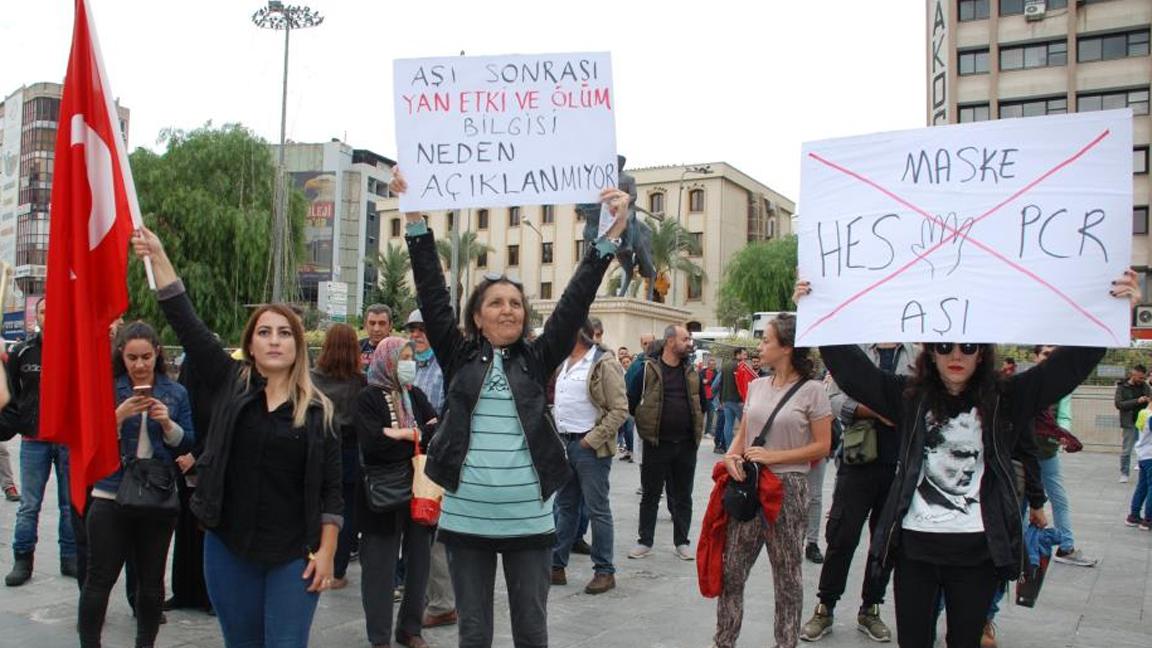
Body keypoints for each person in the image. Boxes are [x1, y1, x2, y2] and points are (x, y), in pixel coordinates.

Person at [798, 270, 1138, 648]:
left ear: (982, 352)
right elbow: (853, 373)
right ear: (930, 352)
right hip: (914, 552)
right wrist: (817, 310)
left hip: (977, 554)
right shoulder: (908, 397)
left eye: (968, 345)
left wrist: (1113, 313)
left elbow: (1064, 370)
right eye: (944, 347)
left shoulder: (1006, 398)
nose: (956, 355)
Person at [391, 168, 629, 648]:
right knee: (474, 633)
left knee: (531, 632)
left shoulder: (539, 357)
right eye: (496, 303)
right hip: (465, 521)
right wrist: (414, 217)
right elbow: (433, 295)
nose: (507, 310)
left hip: (529, 521)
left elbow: (575, 297)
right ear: (477, 316)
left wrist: (609, 236)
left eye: (516, 304)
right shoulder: (458, 356)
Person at [132, 227, 343, 648]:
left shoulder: (319, 410)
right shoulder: (232, 382)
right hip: (228, 547)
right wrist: (157, 255)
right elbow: (185, 320)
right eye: (264, 332)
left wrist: (327, 553)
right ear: (250, 343)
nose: (275, 340)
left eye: (284, 333)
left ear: (299, 345)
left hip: (292, 554)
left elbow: (332, 492)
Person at [711, 313, 832, 648]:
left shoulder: (812, 391)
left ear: (788, 347)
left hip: (789, 490)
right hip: (749, 486)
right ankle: (724, 640)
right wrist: (732, 455)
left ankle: (786, 642)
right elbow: (745, 430)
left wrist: (773, 457)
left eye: (766, 340)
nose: (760, 346)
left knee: (787, 577)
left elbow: (823, 446)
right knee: (732, 570)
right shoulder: (756, 385)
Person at [78, 321, 195, 648]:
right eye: (132, 358)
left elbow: (187, 442)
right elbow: (89, 443)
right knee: (99, 578)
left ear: (157, 354)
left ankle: (146, 643)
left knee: (152, 581)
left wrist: (166, 422)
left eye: (146, 357)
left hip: (156, 495)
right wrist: (115, 417)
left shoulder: (175, 392)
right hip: (110, 492)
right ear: (122, 357)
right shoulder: (107, 388)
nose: (140, 365)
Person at [802, 342, 916, 643]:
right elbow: (835, 401)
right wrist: (877, 411)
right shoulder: (857, 353)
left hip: (901, 463)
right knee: (842, 536)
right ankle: (825, 606)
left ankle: (870, 608)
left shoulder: (918, 355)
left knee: (885, 542)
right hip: (857, 459)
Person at [357, 337, 439, 648]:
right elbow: (372, 443)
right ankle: (379, 636)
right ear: (387, 360)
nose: (409, 363)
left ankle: (410, 629)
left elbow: (435, 430)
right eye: (403, 357)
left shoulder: (414, 395)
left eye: (411, 356)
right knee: (379, 568)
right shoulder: (368, 397)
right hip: (381, 494)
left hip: (418, 490)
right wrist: (411, 436)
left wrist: (400, 434)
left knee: (420, 563)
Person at [550, 319, 629, 595]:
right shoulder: (565, 362)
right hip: (565, 443)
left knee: (597, 509)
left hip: (589, 447)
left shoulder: (604, 363)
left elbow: (620, 410)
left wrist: (590, 440)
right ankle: (556, 565)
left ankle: (605, 571)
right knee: (566, 506)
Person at [4, 297, 78, 586]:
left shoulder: (73, 350)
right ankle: (22, 558)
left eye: (53, 310)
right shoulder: (23, 351)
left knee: (68, 504)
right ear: (37, 316)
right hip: (34, 438)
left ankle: (69, 556)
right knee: (29, 504)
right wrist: (14, 423)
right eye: (44, 311)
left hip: (65, 438)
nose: (48, 315)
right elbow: (10, 393)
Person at [626, 324, 705, 561]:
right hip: (656, 443)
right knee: (650, 494)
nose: (689, 342)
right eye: (685, 339)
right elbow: (630, 400)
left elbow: (702, 402)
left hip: (686, 444)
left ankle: (682, 542)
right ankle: (644, 541)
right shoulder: (648, 369)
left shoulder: (692, 371)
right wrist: (644, 422)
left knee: (683, 495)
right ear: (670, 341)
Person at [405, 310, 458, 631]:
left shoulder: (445, 367)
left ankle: (443, 604)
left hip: (435, 459)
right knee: (420, 532)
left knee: (433, 530)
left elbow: (449, 414)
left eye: (423, 329)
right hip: (414, 457)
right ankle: (433, 596)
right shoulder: (410, 364)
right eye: (413, 329)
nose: (417, 334)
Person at [310, 323, 367, 590]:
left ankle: (312, 558)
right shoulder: (360, 382)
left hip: (316, 448)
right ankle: (338, 570)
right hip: (349, 451)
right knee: (346, 512)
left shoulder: (311, 378)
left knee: (316, 505)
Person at [1029, 345, 1096, 567]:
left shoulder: (1061, 387)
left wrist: (1061, 436)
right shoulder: (1023, 384)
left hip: (1047, 453)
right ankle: (1018, 549)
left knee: (1059, 499)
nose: (1049, 358)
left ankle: (1066, 547)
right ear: (1035, 356)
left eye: (1053, 354)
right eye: (1045, 354)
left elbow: (1064, 417)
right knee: (1020, 502)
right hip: (1022, 454)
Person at [1114, 364, 1149, 483]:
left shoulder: (1145, 386)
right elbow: (1119, 404)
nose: (1142, 380)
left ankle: (1142, 468)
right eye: (1140, 378)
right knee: (1127, 449)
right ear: (1133, 375)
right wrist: (1137, 401)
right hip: (1129, 422)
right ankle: (1124, 473)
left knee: (1144, 448)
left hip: (1143, 422)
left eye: (1143, 378)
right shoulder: (1122, 387)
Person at [1127, 399, 1152, 529]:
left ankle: (1133, 516)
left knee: (1142, 487)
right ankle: (1148, 519)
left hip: (1143, 455)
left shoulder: (1143, 412)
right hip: (1150, 455)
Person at [361, 304, 394, 368]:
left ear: (390, 325)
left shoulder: (400, 350)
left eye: (382, 324)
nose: (376, 329)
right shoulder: (356, 348)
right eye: (372, 323)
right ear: (365, 325)